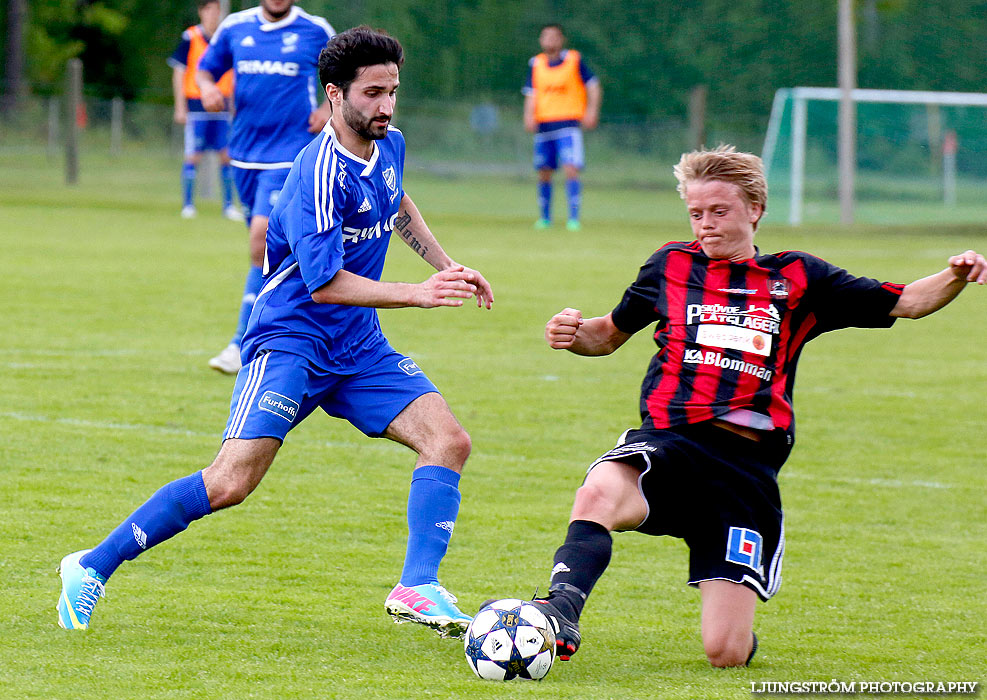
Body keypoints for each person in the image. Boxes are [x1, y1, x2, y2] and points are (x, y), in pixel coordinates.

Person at [56, 26, 495, 640]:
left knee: (448, 441)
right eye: (373, 93)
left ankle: (416, 587)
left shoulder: (388, 143)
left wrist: (445, 266)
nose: (387, 106)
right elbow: (324, 285)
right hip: (291, 339)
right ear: (335, 95)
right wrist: (418, 294)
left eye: (393, 91)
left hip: (357, 345)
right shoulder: (317, 172)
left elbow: (397, 204)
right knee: (230, 482)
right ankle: (90, 566)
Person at [522, 145, 985, 667]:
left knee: (725, 652)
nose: (706, 225)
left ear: (754, 209)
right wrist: (571, 333)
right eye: (696, 213)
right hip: (673, 442)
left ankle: (735, 631)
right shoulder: (670, 265)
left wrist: (956, 273)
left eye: (718, 212)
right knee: (600, 490)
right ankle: (561, 608)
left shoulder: (799, 278)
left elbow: (905, 301)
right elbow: (606, 335)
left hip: (745, 470)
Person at [197, 0, 335, 375]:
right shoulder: (235, 28)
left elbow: (348, 76)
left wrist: (329, 109)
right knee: (273, 256)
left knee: (261, 238)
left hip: (291, 154)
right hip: (243, 154)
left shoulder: (316, 30)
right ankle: (289, 335)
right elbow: (205, 71)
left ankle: (241, 342)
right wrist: (208, 90)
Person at [522, 23, 601, 232]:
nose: (550, 40)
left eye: (554, 36)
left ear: (561, 39)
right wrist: (528, 115)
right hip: (544, 125)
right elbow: (532, 92)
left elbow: (593, 85)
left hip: (568, 124)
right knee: (544, 171)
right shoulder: (536, 63)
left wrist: (591, 111)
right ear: (541, 40)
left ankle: (573, 218)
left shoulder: (574, 60)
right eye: (545, 36)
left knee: (571, 169)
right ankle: (545, 218)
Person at [168, 0, 241, 222]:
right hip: (197, 105)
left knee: (226, 155)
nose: (213, 14)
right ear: (201, 12)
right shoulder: (190, 38)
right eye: (208, 9)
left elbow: (236, 72)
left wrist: (235, 104)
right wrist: (180, 106)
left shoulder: (225, 37)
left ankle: (228, 206)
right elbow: (179, 72)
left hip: (222, 104)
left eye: (217, 10)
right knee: (193, 155)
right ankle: (188, 205)